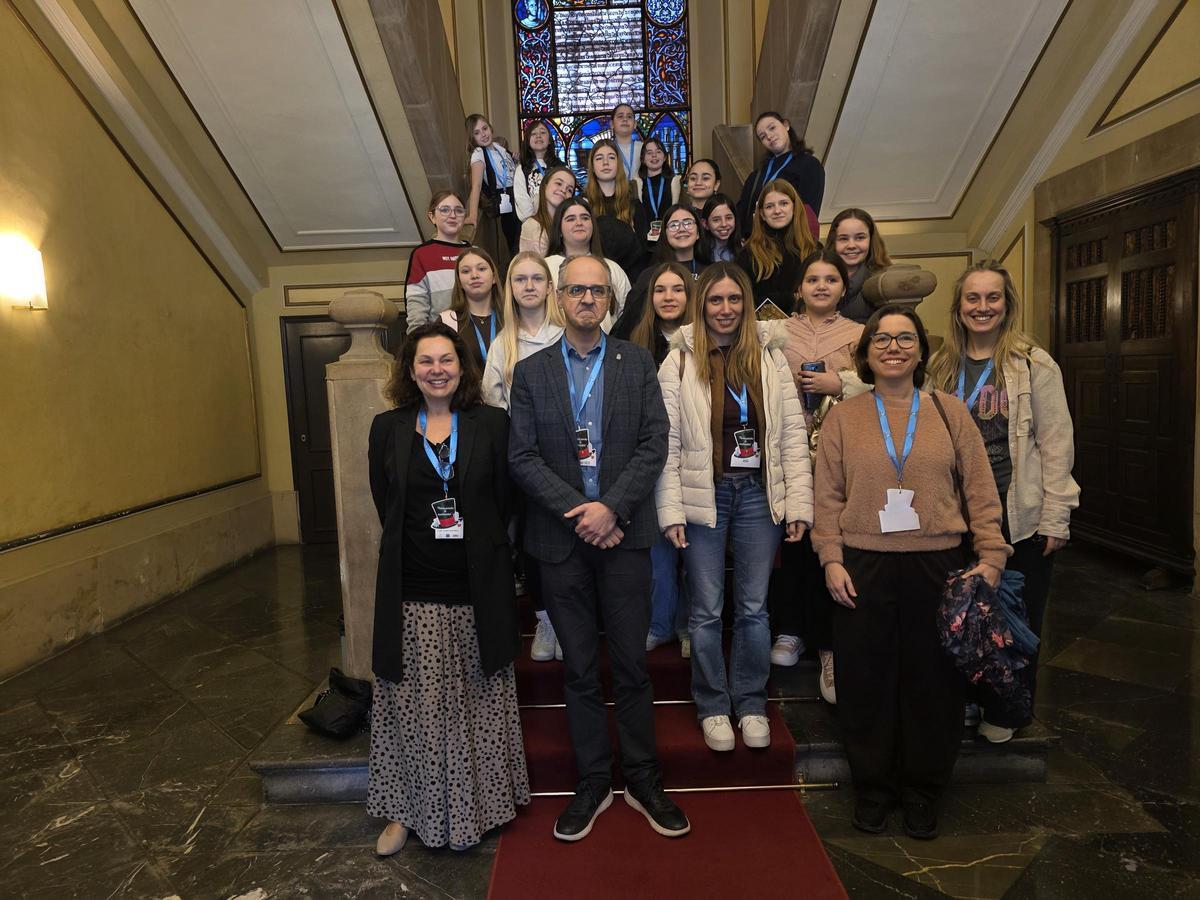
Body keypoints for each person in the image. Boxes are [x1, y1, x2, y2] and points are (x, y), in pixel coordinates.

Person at [509, 253, 690, 842]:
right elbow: (522, 458)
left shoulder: (637, 364)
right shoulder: (531, 373)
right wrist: (581, 513)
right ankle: (593, 783)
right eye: (575, 291)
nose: (586, 300)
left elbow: (653, 443)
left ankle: (641, 778)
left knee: (633, 667)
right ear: (559, 299)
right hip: (561, 544)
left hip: (626, 535)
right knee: (581, 669)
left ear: (608, 300)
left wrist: (612, 507)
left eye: (596, 291)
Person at [812, 304, 1010, 840]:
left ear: (922, 351)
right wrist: (831, 557)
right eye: (882, 339)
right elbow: (827, 497)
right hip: (862, 566)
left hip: (938, 566)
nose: (893, 347)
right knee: (866, 684)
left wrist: (991, 556)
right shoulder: (843, 417)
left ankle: (924, 791)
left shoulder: (950, 412)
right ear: (866, 353)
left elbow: (980, 490)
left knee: (934, 686)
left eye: (905, 339)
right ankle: (874, 789)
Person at [367, 321, 529, 856]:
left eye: (446, 360)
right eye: (425, 362)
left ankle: (476, 808)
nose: (437, 370)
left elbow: (506, 502)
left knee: (477, 706)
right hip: (410, 591)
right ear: (410, 371)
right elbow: (384, 500)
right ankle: (405, 813)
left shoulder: (492, 424)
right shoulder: (386, 428)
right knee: (411, 709)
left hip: (475, 589)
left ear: (462, 367)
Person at [655, 262, 813, 752]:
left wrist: (799, 504)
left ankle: (749, 703)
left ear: (745, 304)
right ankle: (713, 705)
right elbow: (667, 443)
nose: (725, 309)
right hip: (707, 497)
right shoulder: (678, 361)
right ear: (702, 306)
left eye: (733, 299)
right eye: (715, 300)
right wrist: (671, 511)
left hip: (757, 496)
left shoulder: (770, 357)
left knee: (753, 608)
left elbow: (791, 435)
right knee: (704, 610)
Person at [927, 262, 1080, 743]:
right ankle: (967, 700)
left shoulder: (1034, 363)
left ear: (1007, 304)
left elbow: (1057, 443)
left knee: (1016, 616)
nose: (982, 307)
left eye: (992, 298)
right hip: (960, 516)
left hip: (1020, 515)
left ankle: (1008, 710)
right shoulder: (941, 368)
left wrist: (1057, 515)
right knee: (964, 614)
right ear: (959, 308)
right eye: (973, 299)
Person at [770, 251, 866, 704]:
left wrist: (840, 384)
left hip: (840, 457)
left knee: (832, 544)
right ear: (799, 288)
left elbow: (882, 384)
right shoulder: (775, 332)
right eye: (813, 279)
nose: (822, 286)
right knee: (791, 544)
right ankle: (791, 630)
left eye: (831, 279)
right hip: (787, 454)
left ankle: (831, 645)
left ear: (844, 288)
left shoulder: (861, 335)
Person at [482, 252, 567, 662]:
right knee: (534, 545)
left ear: (551, 287)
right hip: (527, 461)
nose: (529, 286)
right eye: (520, 280)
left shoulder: (567, 332)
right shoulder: (503, 344)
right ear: (510, 289)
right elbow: (494, 406)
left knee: (572, 543)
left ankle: (572, 622)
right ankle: (546, 620)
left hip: (571, 454)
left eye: (537, 278)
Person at [624, 262, 695, 655]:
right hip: (653, 459)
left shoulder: (705, 341)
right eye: (660, 290)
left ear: (690, 296)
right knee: (660, 549)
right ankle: (661, 621)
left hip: (698, 460)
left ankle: (688, 625)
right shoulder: (635, 346)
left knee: (694, 550)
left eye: (678, 289)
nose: (669, 297)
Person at [611, 204, 705, 339]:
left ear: (698, 233)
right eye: (673, 225)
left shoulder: (710, 272)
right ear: (664, 234)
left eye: (688, 223)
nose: (681, 229)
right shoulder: (650, 274)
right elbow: (631, 320)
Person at [736, 111, 824, 238]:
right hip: (755, 243)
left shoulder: (809, 165)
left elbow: (808, 212)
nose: (769, 136)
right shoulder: (756, 175)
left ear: (786, 125)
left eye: (772, 128)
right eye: (763, 136)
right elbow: (742, 210)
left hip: (788, 243)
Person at [736, 180, 817, 315]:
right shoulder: (748, 254)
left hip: (807, 328)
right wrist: (789, 298)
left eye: (784, 203)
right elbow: (743, 300)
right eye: (769, 206)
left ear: (795, 207)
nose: (777, 211)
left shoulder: (812, 249)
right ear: (762, 214)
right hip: (763, 330)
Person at [543, 197, 632, 318]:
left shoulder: (613, 268)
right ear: (559, 229)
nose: (579, 223)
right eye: (570, 219)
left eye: (585, 218)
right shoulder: (545, 268)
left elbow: (627, 316)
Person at [405, 191, 471, 332]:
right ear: (432, 217)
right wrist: (417, 339)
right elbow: (416, 302)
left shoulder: (474, 252)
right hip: (439, 337)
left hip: (474, 335)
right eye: (445, 210)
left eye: (458, 210)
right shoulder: (422, 254)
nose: (452, 215)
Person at [584, 139, 650, 278]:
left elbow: (643, 251)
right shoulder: (583, 204)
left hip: (630, 277)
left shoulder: (634, 204)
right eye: (599, 158)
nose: (605, 163)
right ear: (592, 165)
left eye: (611, 157)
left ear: (618, 164)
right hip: (592, 275)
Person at [439, 247, 504, 373]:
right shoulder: (447, 322)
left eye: (481, 269)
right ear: (459, 281)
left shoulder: (512, 316)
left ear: (494, 277)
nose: (474, 275)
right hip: (467, 392)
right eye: (466, 271)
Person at [464, 113, 518, 266]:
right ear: (472, 138)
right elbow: (476, 186)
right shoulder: (478, 154)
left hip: (517, 195)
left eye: (484, 128)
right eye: (477, 132)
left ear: (490, 127)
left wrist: (513, 159)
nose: (483, 134)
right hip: (507, 200)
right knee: (516, 242)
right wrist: (472, 215)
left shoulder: (499, 147)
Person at [826, 208, 893, 324]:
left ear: (871, 240)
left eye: (860, 238)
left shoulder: (885, 281)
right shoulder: (819, 278)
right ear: (834, 242)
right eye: (843, 239)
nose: (851, 245)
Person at [513, 119, 565, 222]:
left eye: (542, 132)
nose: (538, 136)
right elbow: (522, 201)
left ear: (550, 140)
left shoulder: (561, 168)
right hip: (533, 227)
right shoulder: (522, 169)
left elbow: (566, 196)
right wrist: (535, 224)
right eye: (533, 133)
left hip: (559, 223)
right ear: (528, 141)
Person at [519, 165, 576, 255]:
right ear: (545, 186)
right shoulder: (532, 226)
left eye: (569, 190)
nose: (563, 190)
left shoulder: (571, 225)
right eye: (558, 183)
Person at [632, 137, 680, 241]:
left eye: (658, 152)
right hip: (643, 239)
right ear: (643, 159)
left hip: (669, 238)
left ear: (665, 157)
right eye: (649, 153)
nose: (654, 155)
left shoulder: (674, 182)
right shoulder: (637, 184)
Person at [697, 193, 742, 264]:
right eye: (716, 220)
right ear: (705, 224)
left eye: (728, 218)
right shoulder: (698, 253)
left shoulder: (743, 250)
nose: (724, 224)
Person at [610, 102, 643, 180]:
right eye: (620, 116)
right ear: (612, 124)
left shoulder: (643, 148)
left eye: (629, 116)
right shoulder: (607, 149)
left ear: (635, 124)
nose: (625, 119)